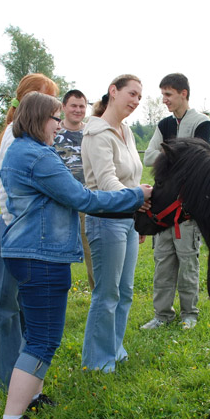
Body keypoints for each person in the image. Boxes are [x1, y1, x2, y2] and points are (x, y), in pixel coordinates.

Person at [0, 92, 152, 419]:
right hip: (42, 256)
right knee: (43, 339)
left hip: (29, 253)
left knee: (35, 332)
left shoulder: (22, 151)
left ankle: (33, 397)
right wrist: (136, 195)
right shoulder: (40, 157)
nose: (61, 125)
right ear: (40, 119)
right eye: (56, 119)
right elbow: (83, 198)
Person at [0, 73, 59, 390]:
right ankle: (5, 379)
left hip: (19, 226)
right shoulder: (14, 138)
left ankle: (19, 374)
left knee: (20, 306)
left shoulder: (25, 138)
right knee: (5, 306)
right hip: (12, 226)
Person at [80, 74, 146, 373]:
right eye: (131, 94)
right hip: (105, 221)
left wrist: (139, 210)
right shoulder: (96, 133)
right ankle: (97, 361)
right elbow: (107, 181)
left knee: (125, 291)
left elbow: (132, 175)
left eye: (139, 97)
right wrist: (137, 197)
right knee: (106, 294)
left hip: (128, 219)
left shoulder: (126, 131)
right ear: (113, 91)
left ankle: (115, 349)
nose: (135, 101)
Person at [141, 73, 210, 330]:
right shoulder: (164, 124)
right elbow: (148, 156)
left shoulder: (201, 122)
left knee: (188, 262)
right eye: (162, 95)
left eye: (168, 95)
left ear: (183, 93)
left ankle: (189, 314)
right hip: (162, 208)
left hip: (187, 209)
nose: (164, 100)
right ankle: (162, 315)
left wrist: (168, 150)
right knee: (163, 262)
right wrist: (175, 151)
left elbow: (201, 157)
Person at [54, 89, 95, 290]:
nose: (78, 110)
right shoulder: (53, 132)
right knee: (57, 256)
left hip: (88, 203)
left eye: (82, 106)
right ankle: (55, 296)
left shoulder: (92, 132)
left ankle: (99, 298)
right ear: (64, 107)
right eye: (73, 106)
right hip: (59, 205)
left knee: (94, 256)